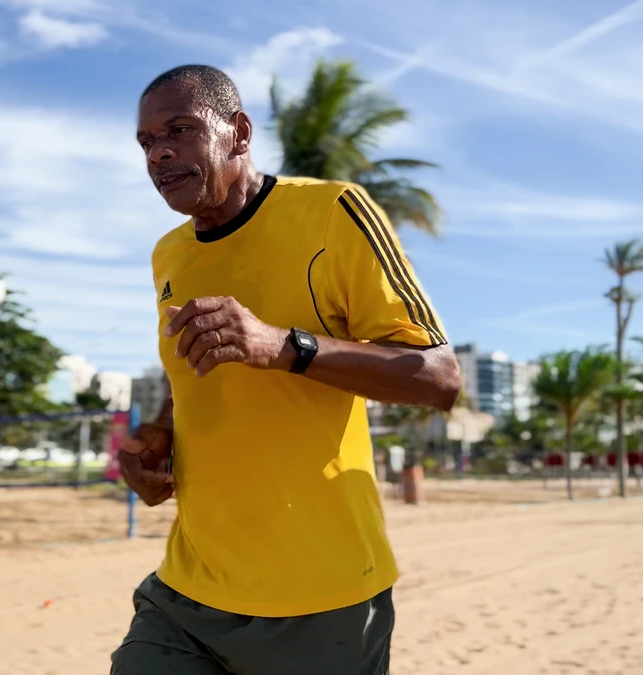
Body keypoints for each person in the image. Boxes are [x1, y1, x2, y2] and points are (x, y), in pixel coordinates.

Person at [112, 64, 462, 675]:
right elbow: (194, 372)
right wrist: (162, 434)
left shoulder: (333, 213)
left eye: (180, 130)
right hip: (189, 587)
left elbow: (438, 377)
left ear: (239, 133)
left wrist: (284, 346)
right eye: (147, 141)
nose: (159, 152)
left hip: (321, 597)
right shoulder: (169, 254)